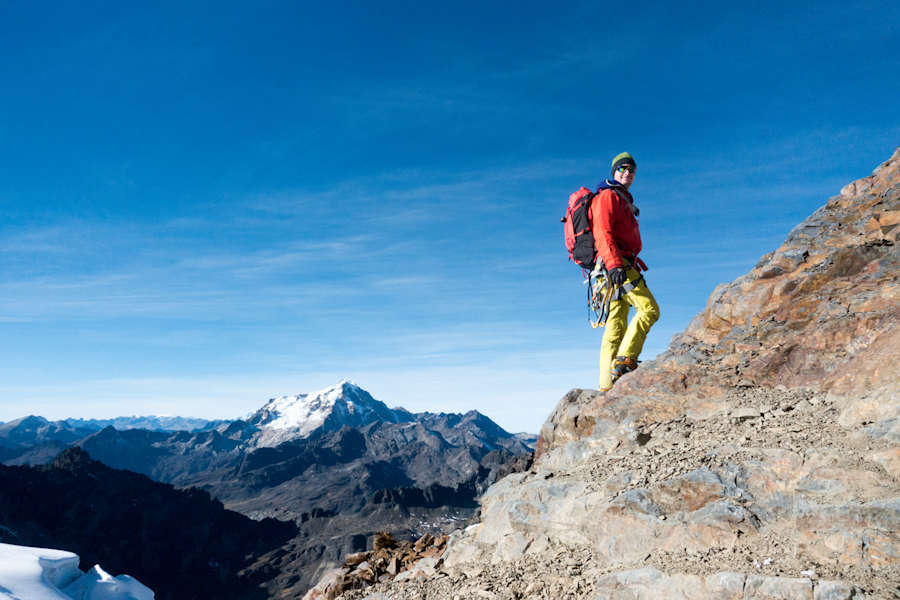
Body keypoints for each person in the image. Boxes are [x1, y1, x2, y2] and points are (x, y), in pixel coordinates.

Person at [590, 152, 659, 391]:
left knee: (616, 325)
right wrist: (614, 264)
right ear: (614, 172)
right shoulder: (608, 197)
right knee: (649, 310)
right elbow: (602, 231)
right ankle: (625, 361)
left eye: (631, 170)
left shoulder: (622, 199)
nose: (627, 173)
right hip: (616, 264)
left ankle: (607, 387)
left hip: (613, 266)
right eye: (622, 169)